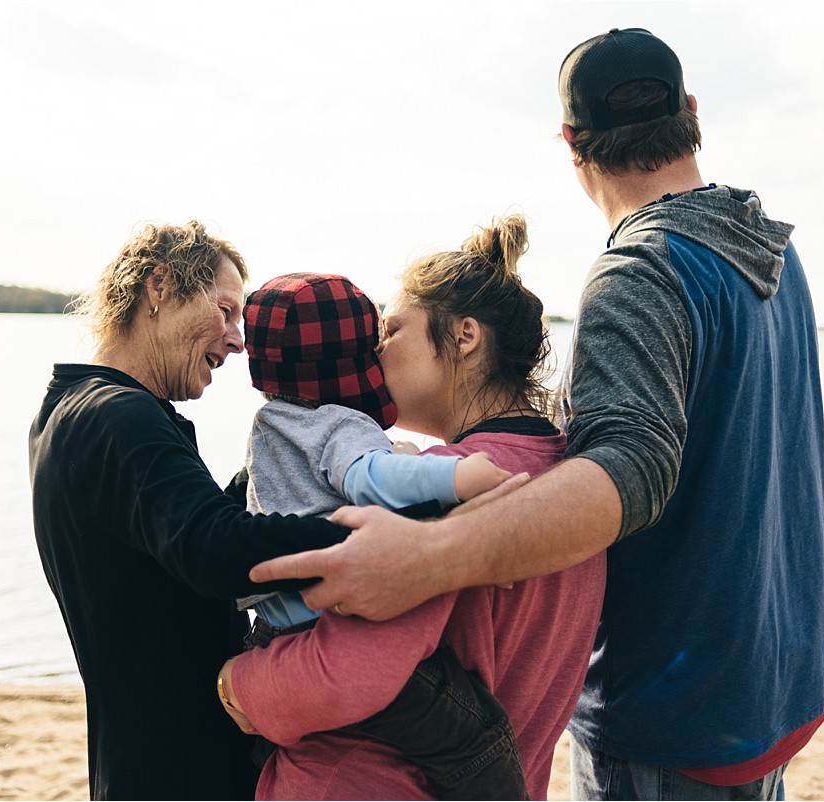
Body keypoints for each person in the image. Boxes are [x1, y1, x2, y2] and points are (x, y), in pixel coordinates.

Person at [248, 28, 824, 802]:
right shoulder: (772, 255)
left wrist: (424, 559)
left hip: (675, 709)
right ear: (691, 111)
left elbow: (629, 470)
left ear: (571, 142)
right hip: (781, 681)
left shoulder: (641, 268)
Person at [218, 215, 607, 800]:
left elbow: (343, 673)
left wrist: (235, 683)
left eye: (392, 331)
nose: (372, 354)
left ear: (465, 337)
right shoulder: (570, 483)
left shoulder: (461, 484)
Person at [27, 221, 351, 800]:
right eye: (225, 310)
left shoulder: (68, 409)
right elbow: (214, 550)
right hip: (181, 770)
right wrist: (361, 534)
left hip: (134, 759)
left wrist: (287, 462)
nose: (236, 339)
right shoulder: (121, 417)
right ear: (160, 286)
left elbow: (173, 537)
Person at [233, 271, 528, 799]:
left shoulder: (269, 423)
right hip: (325, 624)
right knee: (481, 742)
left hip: (276, 627)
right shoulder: (343, 426)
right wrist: (454, 478)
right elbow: (372, 481)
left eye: (392, 332)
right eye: (377, 336)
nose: (381, 351)